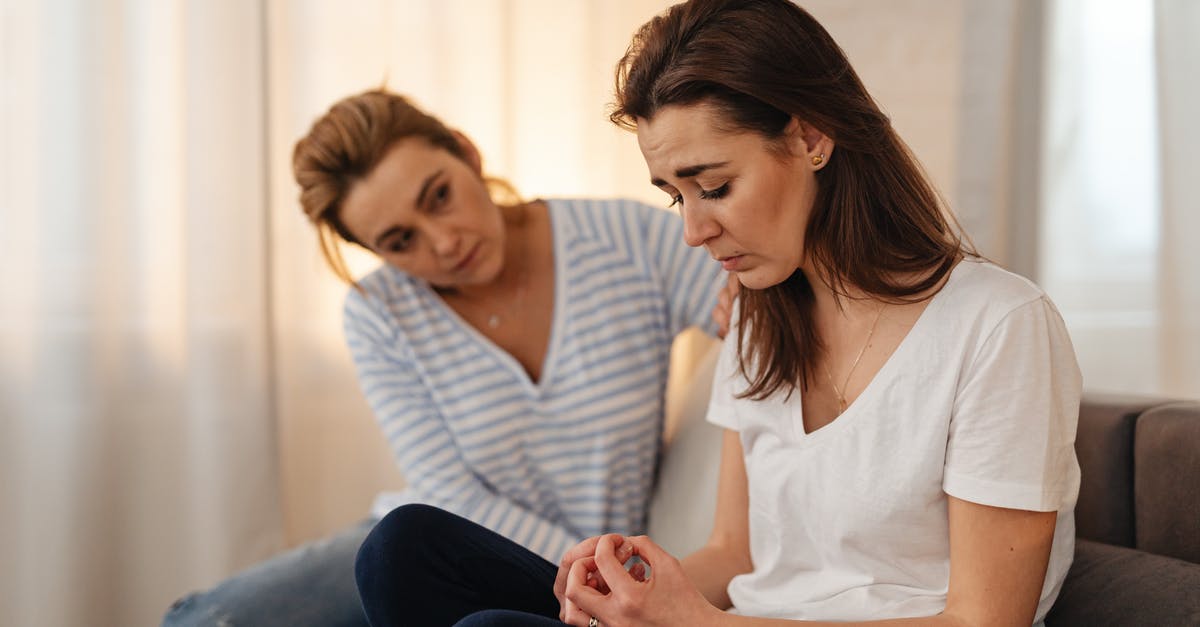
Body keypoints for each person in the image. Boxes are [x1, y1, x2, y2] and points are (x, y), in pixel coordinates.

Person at [353, 0, 1083, 626]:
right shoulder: (760, 320)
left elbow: (983, 619)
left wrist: (697, 622)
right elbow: (736, 555)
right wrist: (630, 584)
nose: (692, 230)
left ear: (810, 136)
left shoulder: (999, 325)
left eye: (715, 186)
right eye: (678, 195)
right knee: (403, 545)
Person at [161, 88, 730, 626]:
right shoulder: (379, 312)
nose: (444, 242)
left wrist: (748, 299)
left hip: (590, 571)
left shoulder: (622, 239)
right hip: (438, 555)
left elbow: (760, 294)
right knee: (205, 620)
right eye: (401, 240)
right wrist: (584, 571)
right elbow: (449, 493)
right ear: (374, 251)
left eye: (439, 197)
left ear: (466, 153)